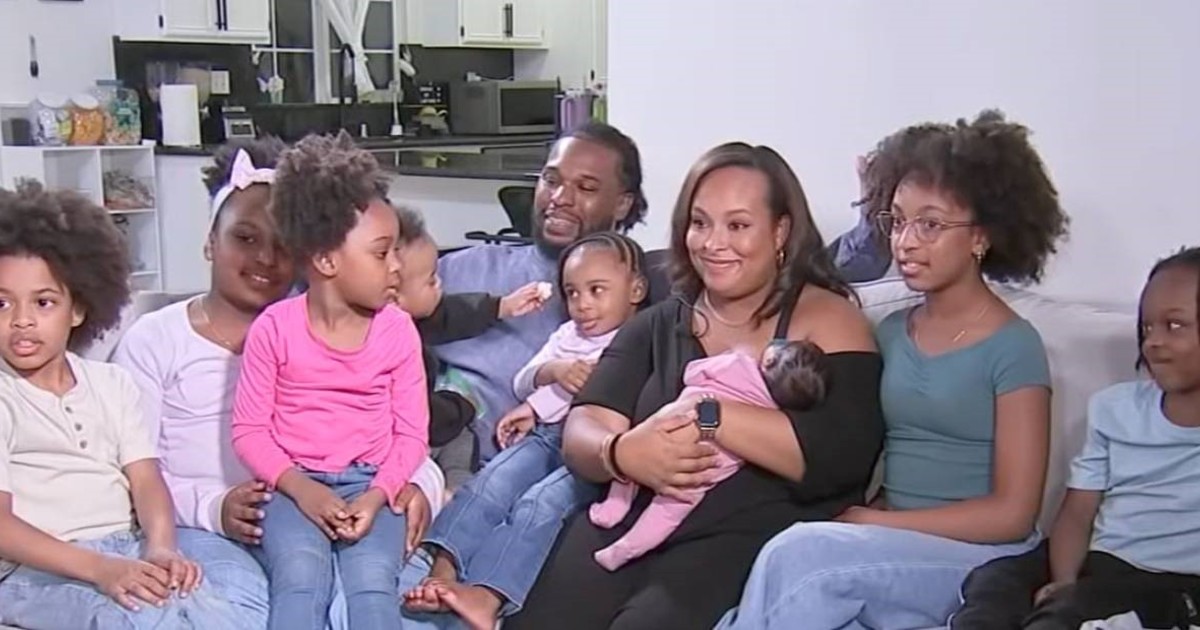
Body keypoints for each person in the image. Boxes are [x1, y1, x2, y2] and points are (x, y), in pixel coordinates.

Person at [499, 142, 886, 630]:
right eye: (700, 223)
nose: (713, 243)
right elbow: (585, 423)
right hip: (627, 524)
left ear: (781, 231)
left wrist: (710, 415)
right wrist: (621, 452)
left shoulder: (827, 319)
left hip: (743, 539)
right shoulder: (660, 322)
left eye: (738, 225)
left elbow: (841, 459)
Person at [716, 110, 1071, 629]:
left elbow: (1013, 514)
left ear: (981, 236)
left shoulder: (1015, 346)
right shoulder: (887, 331)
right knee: (773, 578)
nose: (905, 241)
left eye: (930, 224)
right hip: (891, 541)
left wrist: (881, 524)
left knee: (805, 558)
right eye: (898, 221)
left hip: (982, 555)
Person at [111, 140, 446, 629]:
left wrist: (415, 487)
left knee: (388, 600)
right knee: (259, 602)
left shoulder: (372, 326)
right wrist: (215, 509)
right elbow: (131, 472)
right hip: (220, 524)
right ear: (211, 241)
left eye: (281, 245)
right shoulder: (156, 339)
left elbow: (405, 435)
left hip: (358, 500)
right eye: (245, 238)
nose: (266, 257)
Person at [0, 181, 250, 629]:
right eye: (2, 303)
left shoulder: (110, 384)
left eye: (43, 302)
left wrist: (161, 548)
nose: (21, 320)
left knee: (216, 613)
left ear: (78, 309)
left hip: (124, 546)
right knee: (139, 618)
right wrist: (100, 569)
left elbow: (147, 481)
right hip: (35, 570)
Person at [230, 132, 427, 630]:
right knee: (300, 578)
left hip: (371, 484)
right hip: (293, 485)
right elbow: (249, 431)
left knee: (373, 585)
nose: (397, 267)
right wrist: (302, 490)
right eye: (382, 253)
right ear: (325, 260)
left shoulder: (398, 331)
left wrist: (378, 495)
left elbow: (411, 435)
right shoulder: (273, 329)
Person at [403, 232, 649, 630]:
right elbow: (525, 379)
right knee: (490, 482)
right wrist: (545, 386)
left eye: (596, 290)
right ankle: (443, 567)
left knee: (539, 504)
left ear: (635, 289)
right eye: (572, 292)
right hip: (547, 433)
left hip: (590, 453)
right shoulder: (568, 335)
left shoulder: (640, 339)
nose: (583, 304)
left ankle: (488, 595)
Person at [956, 247, 1200, 630]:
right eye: (1147, 327)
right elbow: (1078, 510)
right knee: (995, 581)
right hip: (1099, 560)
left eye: (1174, 325)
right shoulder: (1114, 408)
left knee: (1068, 613)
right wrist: (1064, 579)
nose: (1153, 342)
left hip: (1170, 583)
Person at [433, 122, 651, 463]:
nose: (560, 198)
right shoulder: (465, 269)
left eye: (586, 187)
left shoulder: (634, 308)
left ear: (622, 204)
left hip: (519, 474)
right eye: (551, 180)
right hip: (414, 457)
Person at [590, 339, 829, 571]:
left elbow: (692, 373)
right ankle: (624, 549)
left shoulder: (739, 362)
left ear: (769, 359)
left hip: (674, 425)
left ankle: (614, 507)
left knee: (635, 453)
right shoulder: (773, 414)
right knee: (669, 510)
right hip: (702, 465)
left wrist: (725, 360)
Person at [389, 204, 549, 493]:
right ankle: (449, 494)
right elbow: (414, 411)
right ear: (394, 297)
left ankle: (453, 491)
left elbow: (452, 314)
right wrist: (460, 407)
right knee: (460, 439)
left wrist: (502, 306)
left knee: (460, 445)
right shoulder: (384, 342)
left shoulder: (413, 317)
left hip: (428, 426)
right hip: (408, 434)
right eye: (431, 280)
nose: (440, 285)